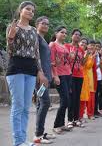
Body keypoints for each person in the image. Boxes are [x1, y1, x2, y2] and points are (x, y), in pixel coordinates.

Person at [6, 1, 47, 146]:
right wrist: (10, 37)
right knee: (18, 106)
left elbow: (36, 54)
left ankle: (23, 139)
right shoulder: (13, 27)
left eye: (32, 10)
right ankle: (18, 141)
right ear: (20, 11)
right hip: (16, 67)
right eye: (27, 9)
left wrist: (40, 72)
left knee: (26, 106)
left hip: (31, 69)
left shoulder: (33, 31)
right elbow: (10, 51)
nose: (30, 12)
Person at [33, 16, 56, 144]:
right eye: (43, 23)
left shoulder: (43, 39)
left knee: (40, 104)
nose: (46, 25)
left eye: (47, 24)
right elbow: (35, 57)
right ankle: (38, 135)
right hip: (40, 78)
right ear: (37, 24)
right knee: (45, 102)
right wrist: (40, 73)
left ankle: (40, 133)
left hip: (46, 77)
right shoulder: (35, 37)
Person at [49, 26, 72, 134]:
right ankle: (56, 125)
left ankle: (62, 124)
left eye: (65, 33)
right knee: (65, 100)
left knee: (66, 101)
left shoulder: (65, 46)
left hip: (68, 74)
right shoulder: (53, 45)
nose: (64, 34)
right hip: (60, 75)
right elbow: (52, 61)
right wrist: (55, 76)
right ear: (56, 33)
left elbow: (67, 61)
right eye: (62, 32)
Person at [65, 29, 85, 128]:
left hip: (80, 75)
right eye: (75, 34)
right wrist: (70, 57)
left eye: (79, 35)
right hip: (70, 75)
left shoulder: (81, 50)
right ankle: (69, 120)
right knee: (71, 97)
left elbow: (82, 63)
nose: (77, 36)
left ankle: (76, 119)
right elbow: (64, 61)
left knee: (77, 98)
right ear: (72, 36)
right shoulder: (66, 46)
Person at [80, 40, 97, 120]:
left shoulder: (92, 55)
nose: (92, 47)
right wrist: (92, 58)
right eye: (90, 45)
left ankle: (90, 113)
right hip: (84, 76)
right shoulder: (84, 54)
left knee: (91, 97)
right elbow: (87, 66)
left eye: (93, 45)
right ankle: (81, 115)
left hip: (91, 77)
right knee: (84, 96)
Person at [94, 41, 102, 117]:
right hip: (94, 76)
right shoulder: (93, 55)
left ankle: (96, 110)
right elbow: (93, 66)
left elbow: (100, 67)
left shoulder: (99, 55)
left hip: (99, 76)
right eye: (96, 46)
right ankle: (93, 111)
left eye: (98, 47)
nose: (97, 48)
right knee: (94, 95)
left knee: (98, 94)